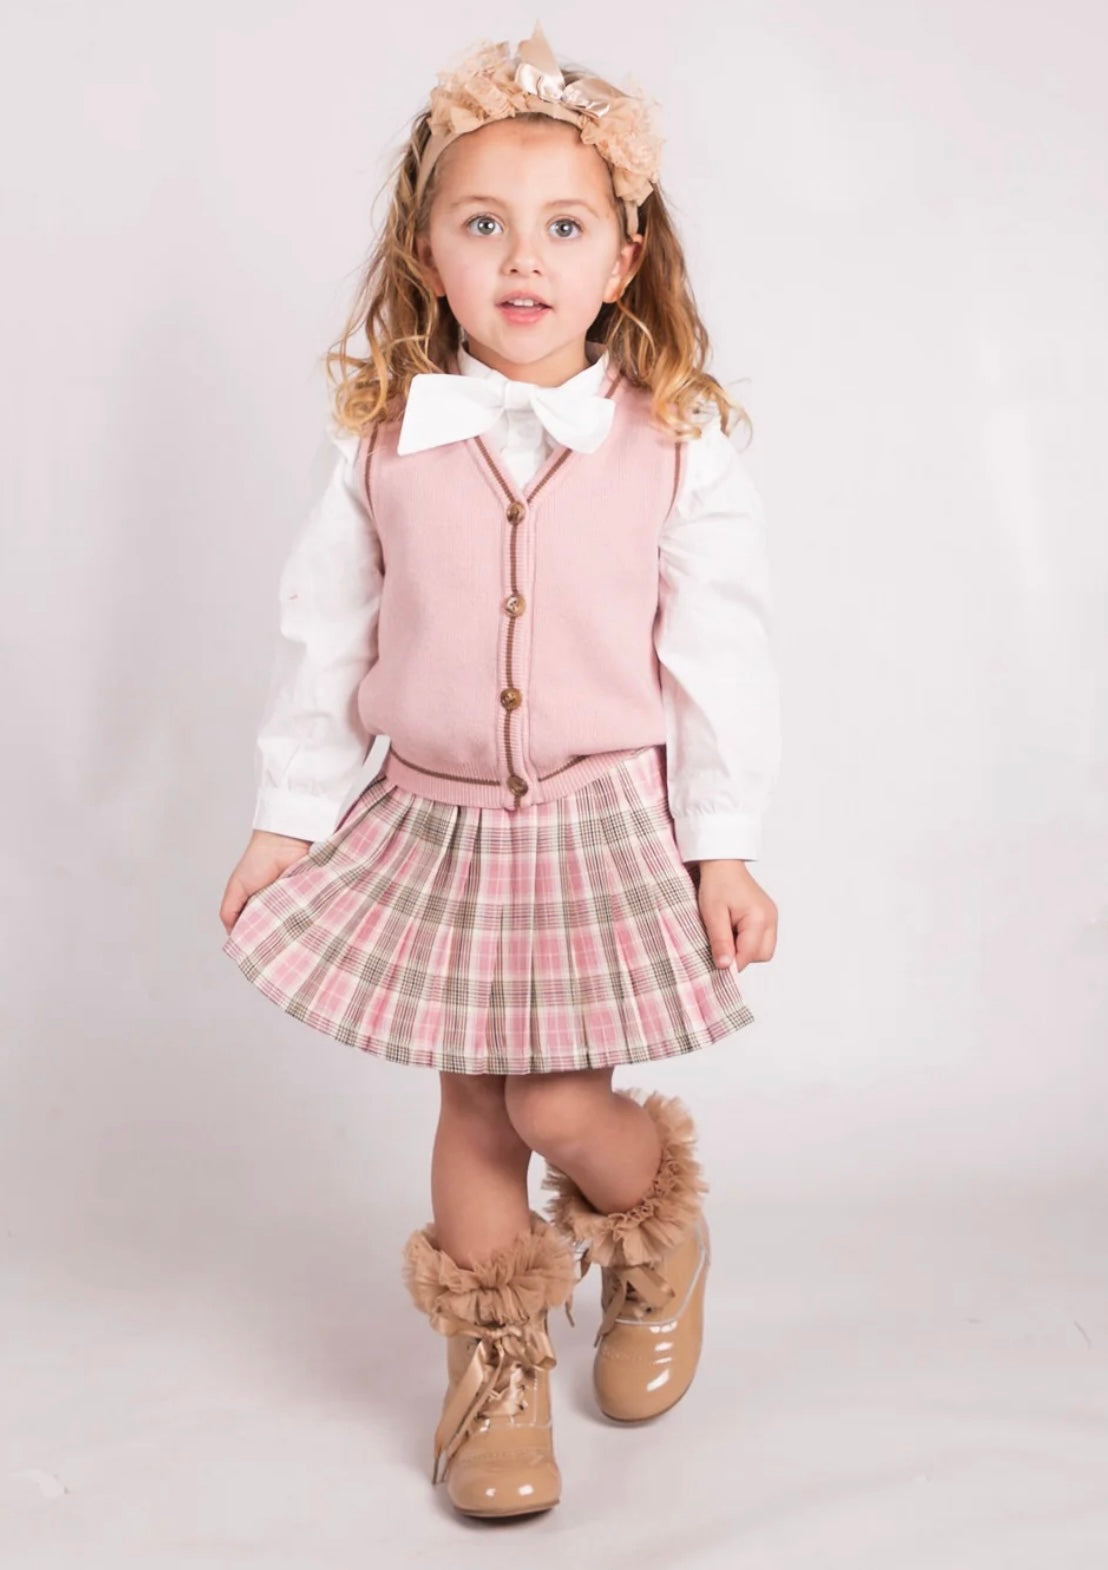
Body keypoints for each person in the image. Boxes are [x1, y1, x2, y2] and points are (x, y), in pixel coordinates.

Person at [218, 20, 781, 1521]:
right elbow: (322, 635)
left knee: (552, 1103)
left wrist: (722, 841)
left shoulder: (679, 446)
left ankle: (653, 1224)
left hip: (600, 822)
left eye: (562, 225)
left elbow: (717, 658)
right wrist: (290, 818)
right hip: (438, 822)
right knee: (477, 1108)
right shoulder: (382, 441)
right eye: (483, 224)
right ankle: (494, 1372)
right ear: (427, 252)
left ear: (622, 253)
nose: (521, 258)